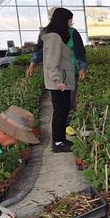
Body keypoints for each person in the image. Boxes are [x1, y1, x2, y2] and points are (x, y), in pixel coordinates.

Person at [26, 7, 87, 136]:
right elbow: (40, 51)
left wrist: (82, 68)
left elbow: (80, 51)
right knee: (60, 106)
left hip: (70, 72)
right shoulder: (48, 34)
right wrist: (32, 64)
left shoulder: (72, 33)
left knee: (68, 101)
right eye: (69, 20)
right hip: (57, 74)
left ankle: (65, 126)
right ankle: (60, 134)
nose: (71, 22)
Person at [42, 8, 76, 153]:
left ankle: (61, 139)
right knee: (59, 112)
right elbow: (52, 62)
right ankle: (57, 142)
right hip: (59, 83)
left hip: (60, 81)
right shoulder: (55, 37)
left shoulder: (53, 36)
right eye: (69, 20)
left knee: (62, 112)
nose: (70, 23)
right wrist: (58, 80)